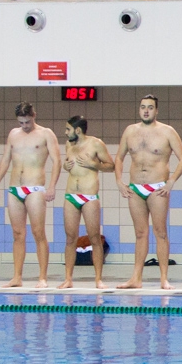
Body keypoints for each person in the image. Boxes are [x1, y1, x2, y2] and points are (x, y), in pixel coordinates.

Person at [114, 94, 182, 290]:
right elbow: (119, 158)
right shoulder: (130, 131)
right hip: (135, 187)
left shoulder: (167, 132)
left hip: (157, 187)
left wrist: (171, 181)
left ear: (156, 110)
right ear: (139, 109)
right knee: (140, 233)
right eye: (143, 107)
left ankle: (164, 278)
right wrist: (119, 181)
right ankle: (135, 278)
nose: (146, 110)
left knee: (160, 232)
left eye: (150, 107)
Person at [0, 102, 60, 289]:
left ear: (34, 115)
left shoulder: (46, 134)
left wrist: (52, 187)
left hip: (35, 187)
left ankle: (42, 277)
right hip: (14, 189)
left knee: (38, 233)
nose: (24, 126)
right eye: (21, 122)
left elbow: (57, 161)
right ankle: (16, 277)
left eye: (27, 122)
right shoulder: (13, 134)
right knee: (17, 234)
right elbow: (5, 160)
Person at [59, 115, 115, 289]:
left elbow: (111, 166)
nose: (65, 132)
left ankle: (98, 279)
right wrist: (65, 167)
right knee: (70, 238)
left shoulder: (96, 144)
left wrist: (93, 164)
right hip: (71, 195)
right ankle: (68, 279)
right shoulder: (69, 144)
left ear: (78, 130)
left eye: (68, 129)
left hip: (89, 196)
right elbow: (68, 165)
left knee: (94, 238)